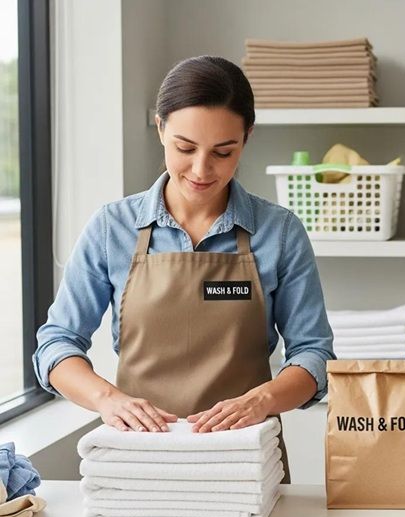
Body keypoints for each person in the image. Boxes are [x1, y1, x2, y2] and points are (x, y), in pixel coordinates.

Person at [33, 56, 335, 482]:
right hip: (138, 463)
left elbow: (314, 354)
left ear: (247, 137)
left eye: (223, 152)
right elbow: (57, 343)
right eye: (185, 148)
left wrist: (261, 400)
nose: (200, 170)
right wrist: (108, 400)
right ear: (160, 129)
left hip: (244, 465)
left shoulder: (280, 232)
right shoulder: (111, 228)